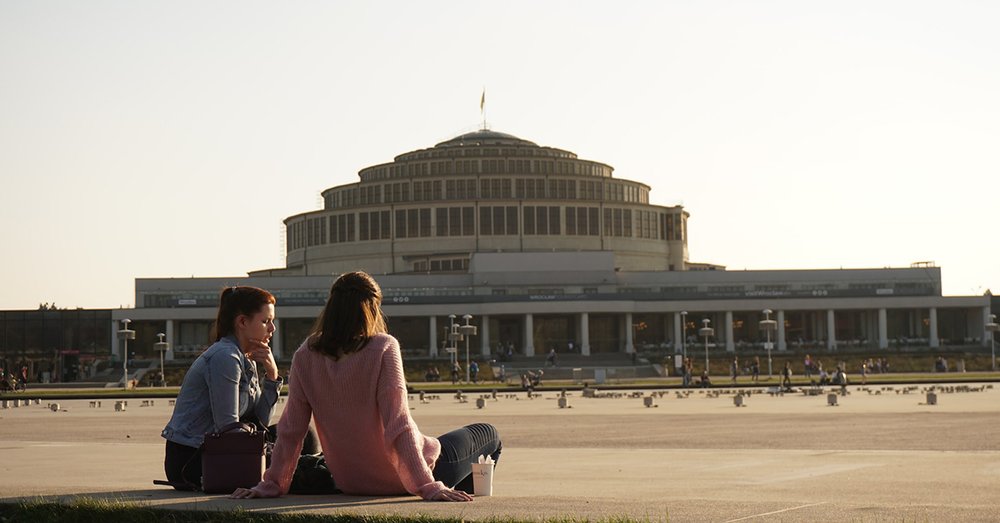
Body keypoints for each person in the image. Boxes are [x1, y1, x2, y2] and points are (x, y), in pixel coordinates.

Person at [231, 271, 501, 502]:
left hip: (351, 481)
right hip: (410, 476)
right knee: (488, 433)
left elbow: (291, 429)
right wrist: (427, 486)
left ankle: (457, 499)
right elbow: (399, 425)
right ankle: (463, 504)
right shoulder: (383, 347)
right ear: (371, 308)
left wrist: (272, 483)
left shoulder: (306, 354)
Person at [161, 286, 309, 490]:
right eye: (265, 321)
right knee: (297, 452)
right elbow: (227, 427)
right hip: (194, 459)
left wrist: (272, 375)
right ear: (242, 322)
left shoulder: (247, 358)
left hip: (223, 449)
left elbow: (261, 421)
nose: (272, 328)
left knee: (302, 435)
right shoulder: (225, 357)